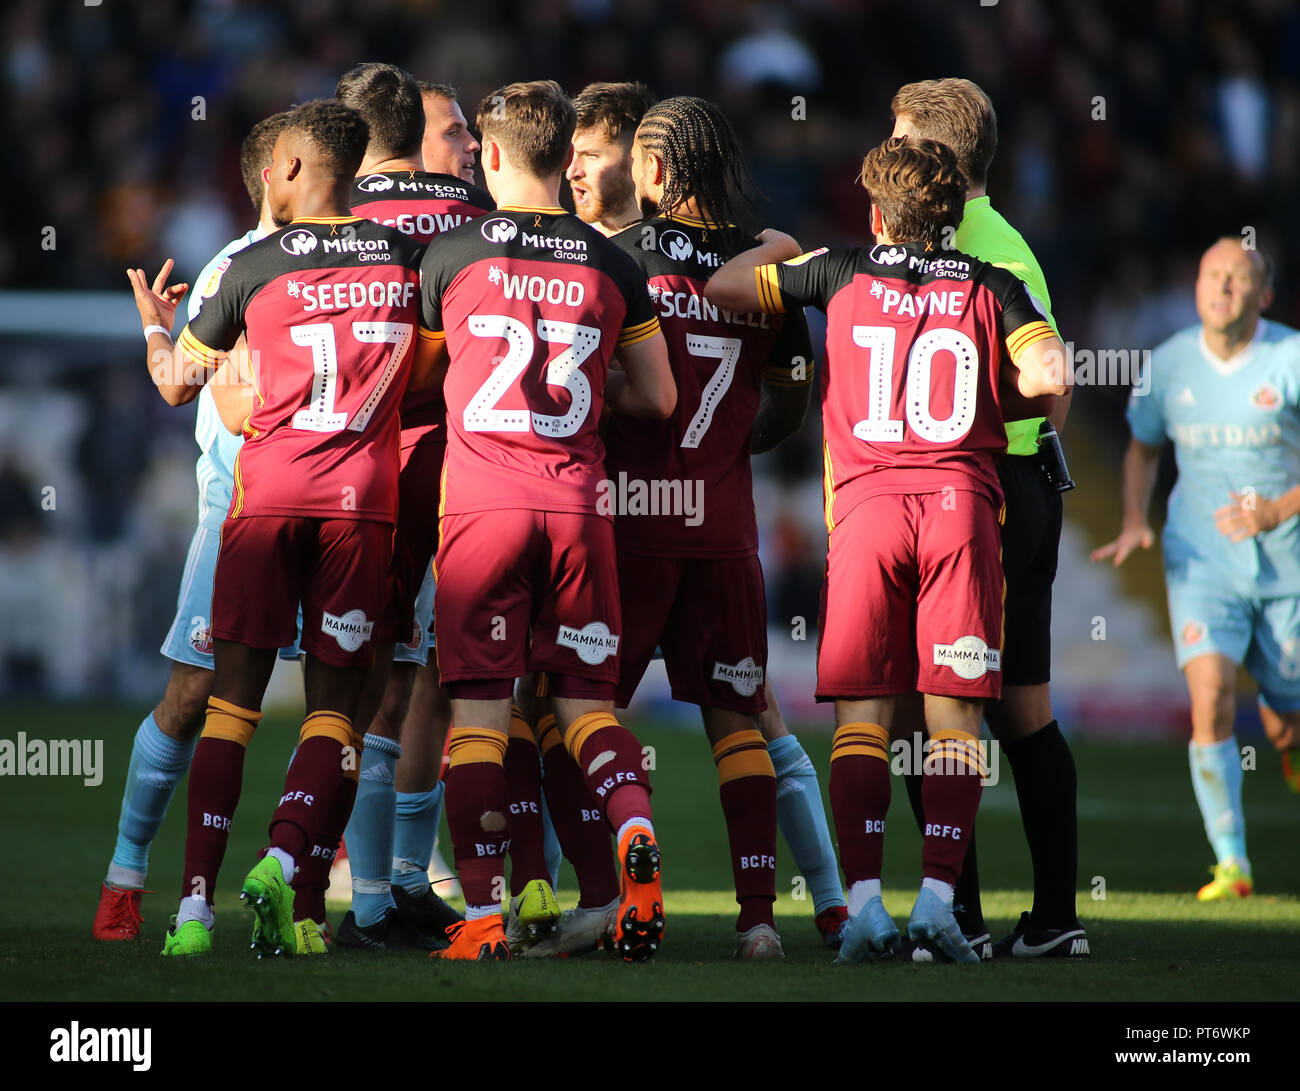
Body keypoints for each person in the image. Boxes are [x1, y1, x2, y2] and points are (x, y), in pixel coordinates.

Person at [706, 135, 1067, 964]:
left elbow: (726, 287)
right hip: (960, 509)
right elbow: (1049, 371)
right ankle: (941, 899)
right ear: (951, 216)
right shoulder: (992, 281)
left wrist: (780, 252)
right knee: (954, 710)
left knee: (864, 717)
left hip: (866, 512)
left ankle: (863, 901)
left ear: (876, 213)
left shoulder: (841, 271)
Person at [129, 98, 427, 957]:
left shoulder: (250, 266)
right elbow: (435, 368)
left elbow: (175, 382)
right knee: (335, 713)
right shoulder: (411, 262)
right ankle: (293, 879)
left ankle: (191, 911)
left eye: (271, 166)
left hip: (263, 502)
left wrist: (155, 322)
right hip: (362, 504)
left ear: (291, 168)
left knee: (231, 706)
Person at [415, 79, 676, 961]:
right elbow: (662, 394)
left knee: (481, 722)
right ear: (570, 160)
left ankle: (484, 919)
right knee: (586, 708)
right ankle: (632, 829)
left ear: (489, 156)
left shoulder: (450, 253)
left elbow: (419, 379)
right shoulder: (614, 265)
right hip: (577, 509)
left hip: (482, 512)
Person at [608, 95, 816, 959]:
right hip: (725, 524)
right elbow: (794, 395)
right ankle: (761, 918)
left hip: (630, 522)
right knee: (737, 717)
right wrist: (734, 440)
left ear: (654, 171)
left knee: (577, 710)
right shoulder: (764, 271)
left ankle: (598, 891)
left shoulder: (617, 256)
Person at [889, 77, 1086, 960]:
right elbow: (1056, 384)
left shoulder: (952, 246)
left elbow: (1051, 371)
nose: (886, 153)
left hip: (974, 489)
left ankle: (953, 915)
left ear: (933, 154)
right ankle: (1053, 920)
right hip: (1026, 478)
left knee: (924, 710)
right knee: (1020, 707)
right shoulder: (1008, 241)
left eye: (898, 138)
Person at [92, 111, 293, 943]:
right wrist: (155, 330)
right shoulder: (237, 269)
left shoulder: (353, 256)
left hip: (338, 506)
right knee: (190, 697)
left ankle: (356, 895)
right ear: (280, 174)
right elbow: (202, 390)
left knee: (372, 696)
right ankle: (125, 876)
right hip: (242, 512)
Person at [325, 62, 493, 951]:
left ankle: (391, 883)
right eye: (454, 130)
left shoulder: (333, 226)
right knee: (395, 684)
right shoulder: (479, 226)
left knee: (399, 679)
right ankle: (367, 899)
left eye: (472, 131)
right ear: (409, 136)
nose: (469, 144)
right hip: (441, 470)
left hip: (352, 468)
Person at [1092, 237, 1300, 900]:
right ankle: (1232, 863)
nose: (1223, 288)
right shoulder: (1171, 362)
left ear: (1263, 295)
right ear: (1196, 286)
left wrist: (1277, 511)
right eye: (1213, 275)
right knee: (1209, 698)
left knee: (1285, 721)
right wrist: (1133, 517)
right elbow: (1143, 449)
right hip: (1200, 559)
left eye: (1238, 278)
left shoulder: (1290, 356)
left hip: (1286, 564)